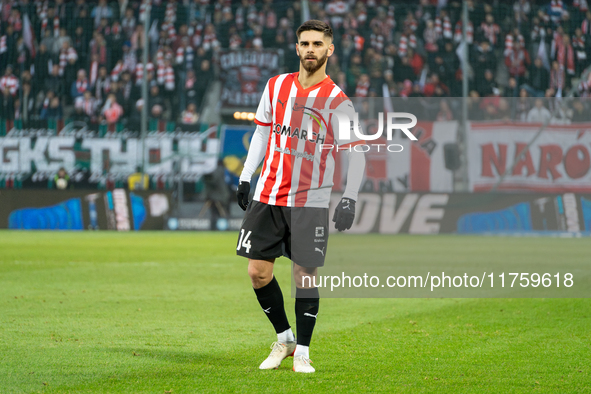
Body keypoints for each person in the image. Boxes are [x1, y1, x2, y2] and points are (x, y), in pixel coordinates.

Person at [235, 20, 365, 374]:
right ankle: (285, 338)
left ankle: (304, 351)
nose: (310, 49)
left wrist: (349, 198)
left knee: (304, 275)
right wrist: (246, 177)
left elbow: (355, 153)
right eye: (305, 43)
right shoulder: (275, 86)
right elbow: (262, 134)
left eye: (317, 44)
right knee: (257, 272)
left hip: (311, 200)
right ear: (296, 48)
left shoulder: (338, 101)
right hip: (268, 194)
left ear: (329, 50)